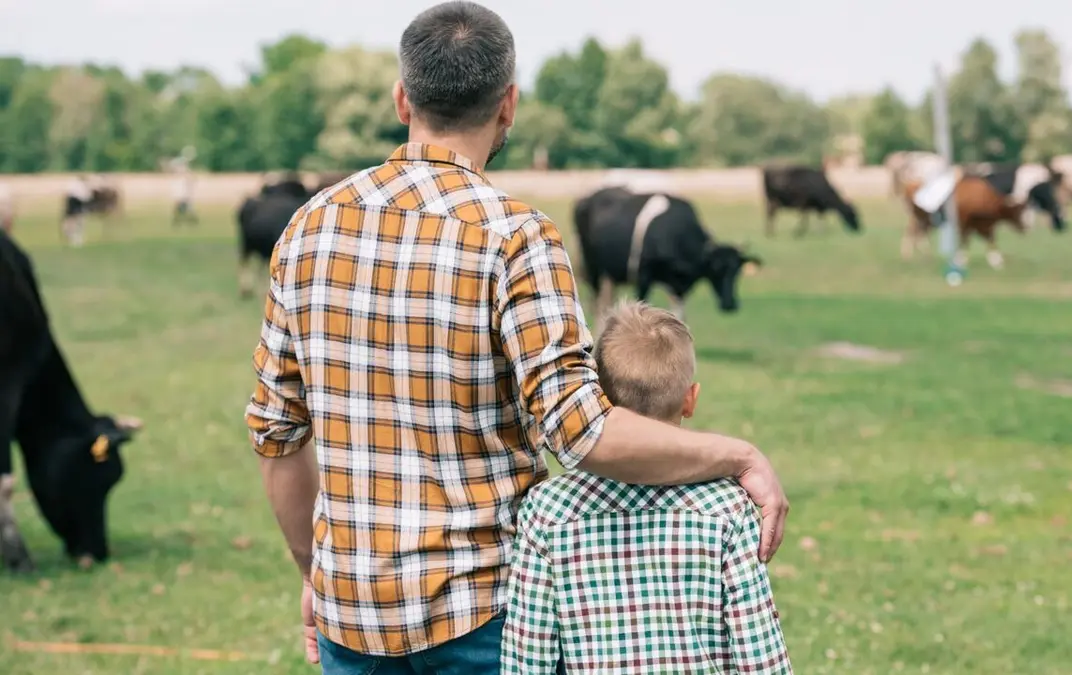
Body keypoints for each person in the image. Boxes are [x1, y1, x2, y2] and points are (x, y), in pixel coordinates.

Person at [244, 3, 788, 674]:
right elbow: (581, 432)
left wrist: (315, 574)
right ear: (509, 105)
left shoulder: (307, 228)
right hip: (490, 619)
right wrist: (738, 455)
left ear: (401, 97)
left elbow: (277, 437)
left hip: (349, 617)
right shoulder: (517, 237)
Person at [501, 301, 793, 674]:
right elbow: (760, 654)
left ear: (598, 397)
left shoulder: (547, 510)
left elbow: (527, 654)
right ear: (691, 399)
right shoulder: (728, 508)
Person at [168, 146, 198, 226]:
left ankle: (190, 221)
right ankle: (178, 221)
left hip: (184, 190)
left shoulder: (184, 170)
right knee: (181, 205)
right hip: (181, 190)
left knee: (187, 206)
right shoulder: (181, 169)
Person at [61, 175, 93, 247]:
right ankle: (76, 238)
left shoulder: (72, 184)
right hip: (77, 203)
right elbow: (87, 197)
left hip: (72, 202)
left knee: (72, 221)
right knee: (79, 221)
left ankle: (72, 237)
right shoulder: (83, 186)